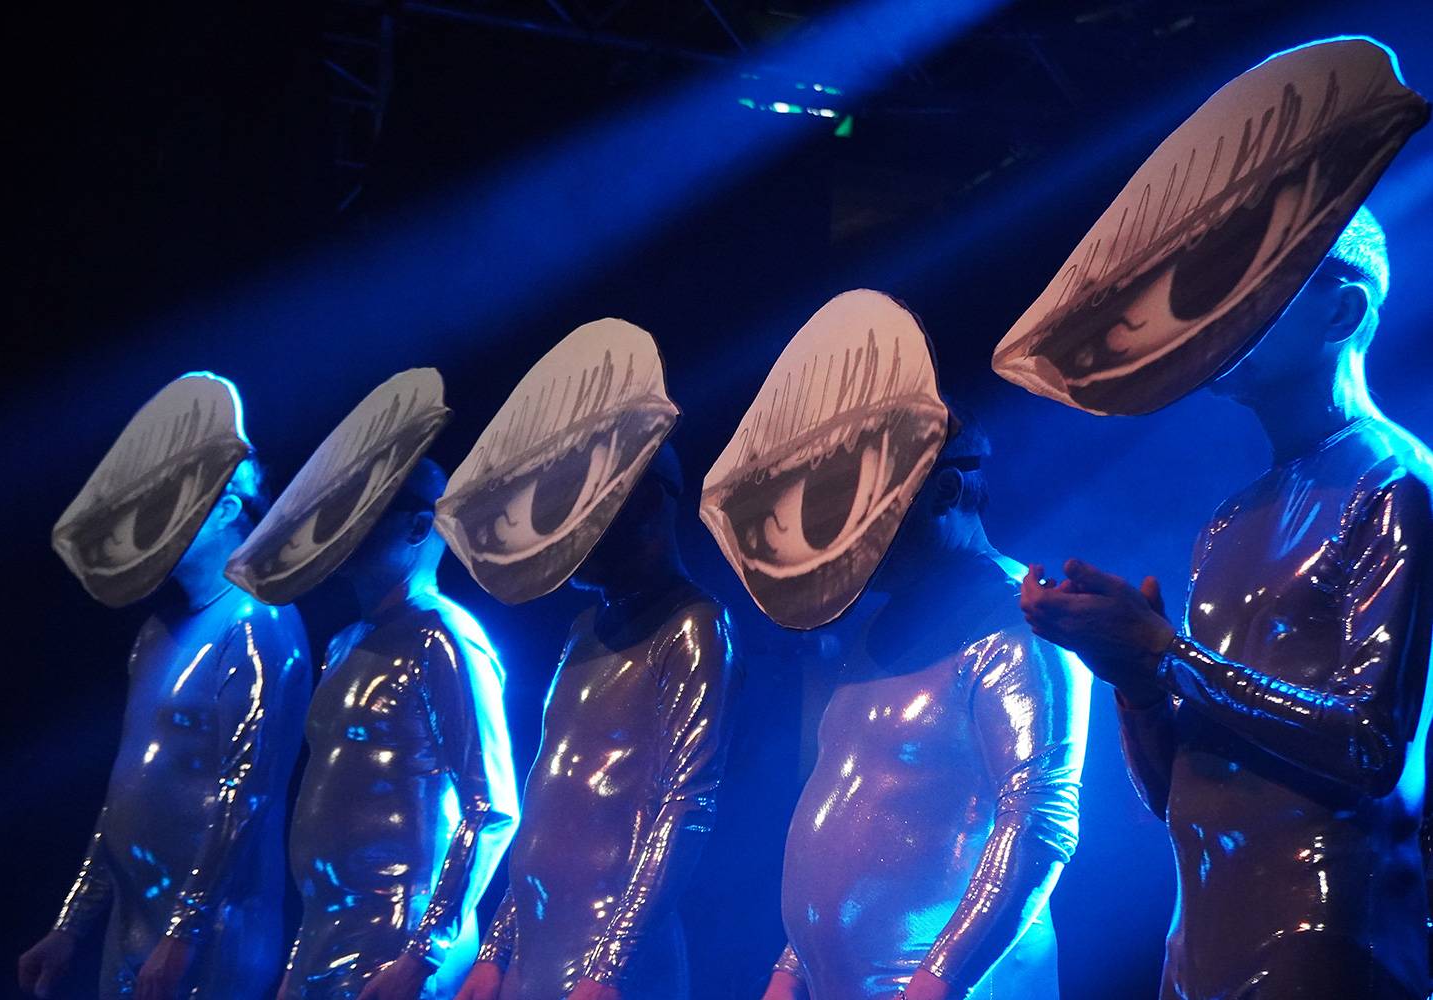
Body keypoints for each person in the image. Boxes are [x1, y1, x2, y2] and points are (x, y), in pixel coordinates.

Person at [1020, 206, 1433, 999]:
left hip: (1326, 932)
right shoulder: (1227, 521)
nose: (1223, 313)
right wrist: (1135, 681)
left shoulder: (1394, 484)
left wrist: (1163, 652)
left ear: (1342, 312)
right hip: (1198, 939)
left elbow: (1371, 749)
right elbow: (1176, 792)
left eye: (1260, 286)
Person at [760, 419, 1089, 1000]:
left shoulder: (1017, 619)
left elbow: (1040, 819)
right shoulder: (875, 633)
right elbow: (847, 800)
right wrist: (791, 967)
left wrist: (939, 980)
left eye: (864, 506)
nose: (843, 537)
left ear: (944, 491)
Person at [18, 455, 312, 1000]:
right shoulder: (157, 632)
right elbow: (127, 791)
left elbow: (249, 790)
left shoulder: (257, 621)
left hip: (212, 936)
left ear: (226, 509)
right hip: (136, 925)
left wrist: (185, 931)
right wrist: (69, 925)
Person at [455, 445, 740, 1000]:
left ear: (647, 503)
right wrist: (495, 952)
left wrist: (610, 966)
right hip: (534, 959)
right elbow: (547, 809)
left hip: (609, 965)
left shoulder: (695, 626)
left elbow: (688, 805)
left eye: (587, 501)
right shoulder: (583, 630)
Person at [271, 459, 519, 1000]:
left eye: (366, 513)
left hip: (399, 946)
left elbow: (492, 808)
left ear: (417, 526)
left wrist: (423, 953)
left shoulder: (445, 637)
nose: (344, 529)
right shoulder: (343, 645)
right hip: (325, 943)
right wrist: (297, 962)